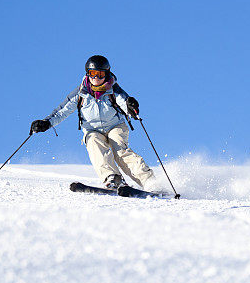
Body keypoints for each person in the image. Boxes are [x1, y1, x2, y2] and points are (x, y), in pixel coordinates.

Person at [29, 55, 156, 190]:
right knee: (93, 142)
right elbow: (62, 111)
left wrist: (131, 108)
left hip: (115, 126)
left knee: (119, 150)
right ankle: (113, 178)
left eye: (100, 74)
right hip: (92, 130)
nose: (96, 78)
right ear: (87, 73)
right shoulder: (80, 93)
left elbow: (124, 102)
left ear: (106, 74)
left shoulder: (113, 89)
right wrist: (46, 123)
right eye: (93, 73)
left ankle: (149, 181)